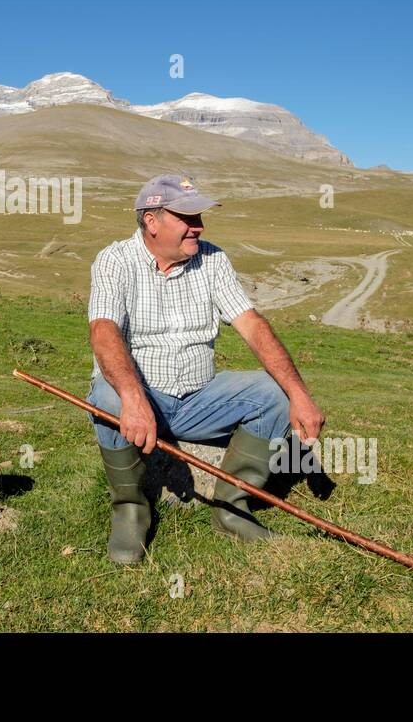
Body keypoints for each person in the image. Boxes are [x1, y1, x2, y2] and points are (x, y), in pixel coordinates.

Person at [87, 175, 325, 564]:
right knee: (105, 396)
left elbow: (252, 325)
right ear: (151, 221)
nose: (198, 226)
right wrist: (133, 397)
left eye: (199, 216)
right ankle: (131, 510)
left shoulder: (212, 259)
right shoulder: (115, 261)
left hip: (200, 397)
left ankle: (232, 508)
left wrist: (299, 395)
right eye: (187, 217)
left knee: (275, 393)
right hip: (143, 398)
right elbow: (103, 331)